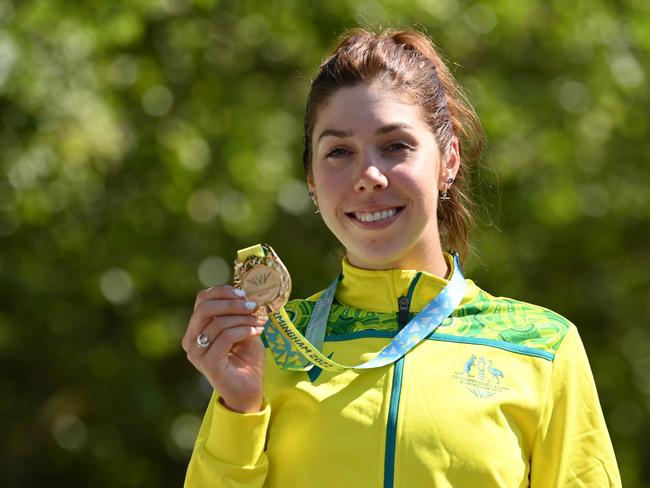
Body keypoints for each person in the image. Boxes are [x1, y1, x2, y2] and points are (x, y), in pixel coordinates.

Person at [182, 28, 621, 487]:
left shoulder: (542, 348)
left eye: (395, 146)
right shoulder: (268, 346)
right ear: (311, 179)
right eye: (338, 152)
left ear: (448, 161)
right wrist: (238, 410)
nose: (368, 175)